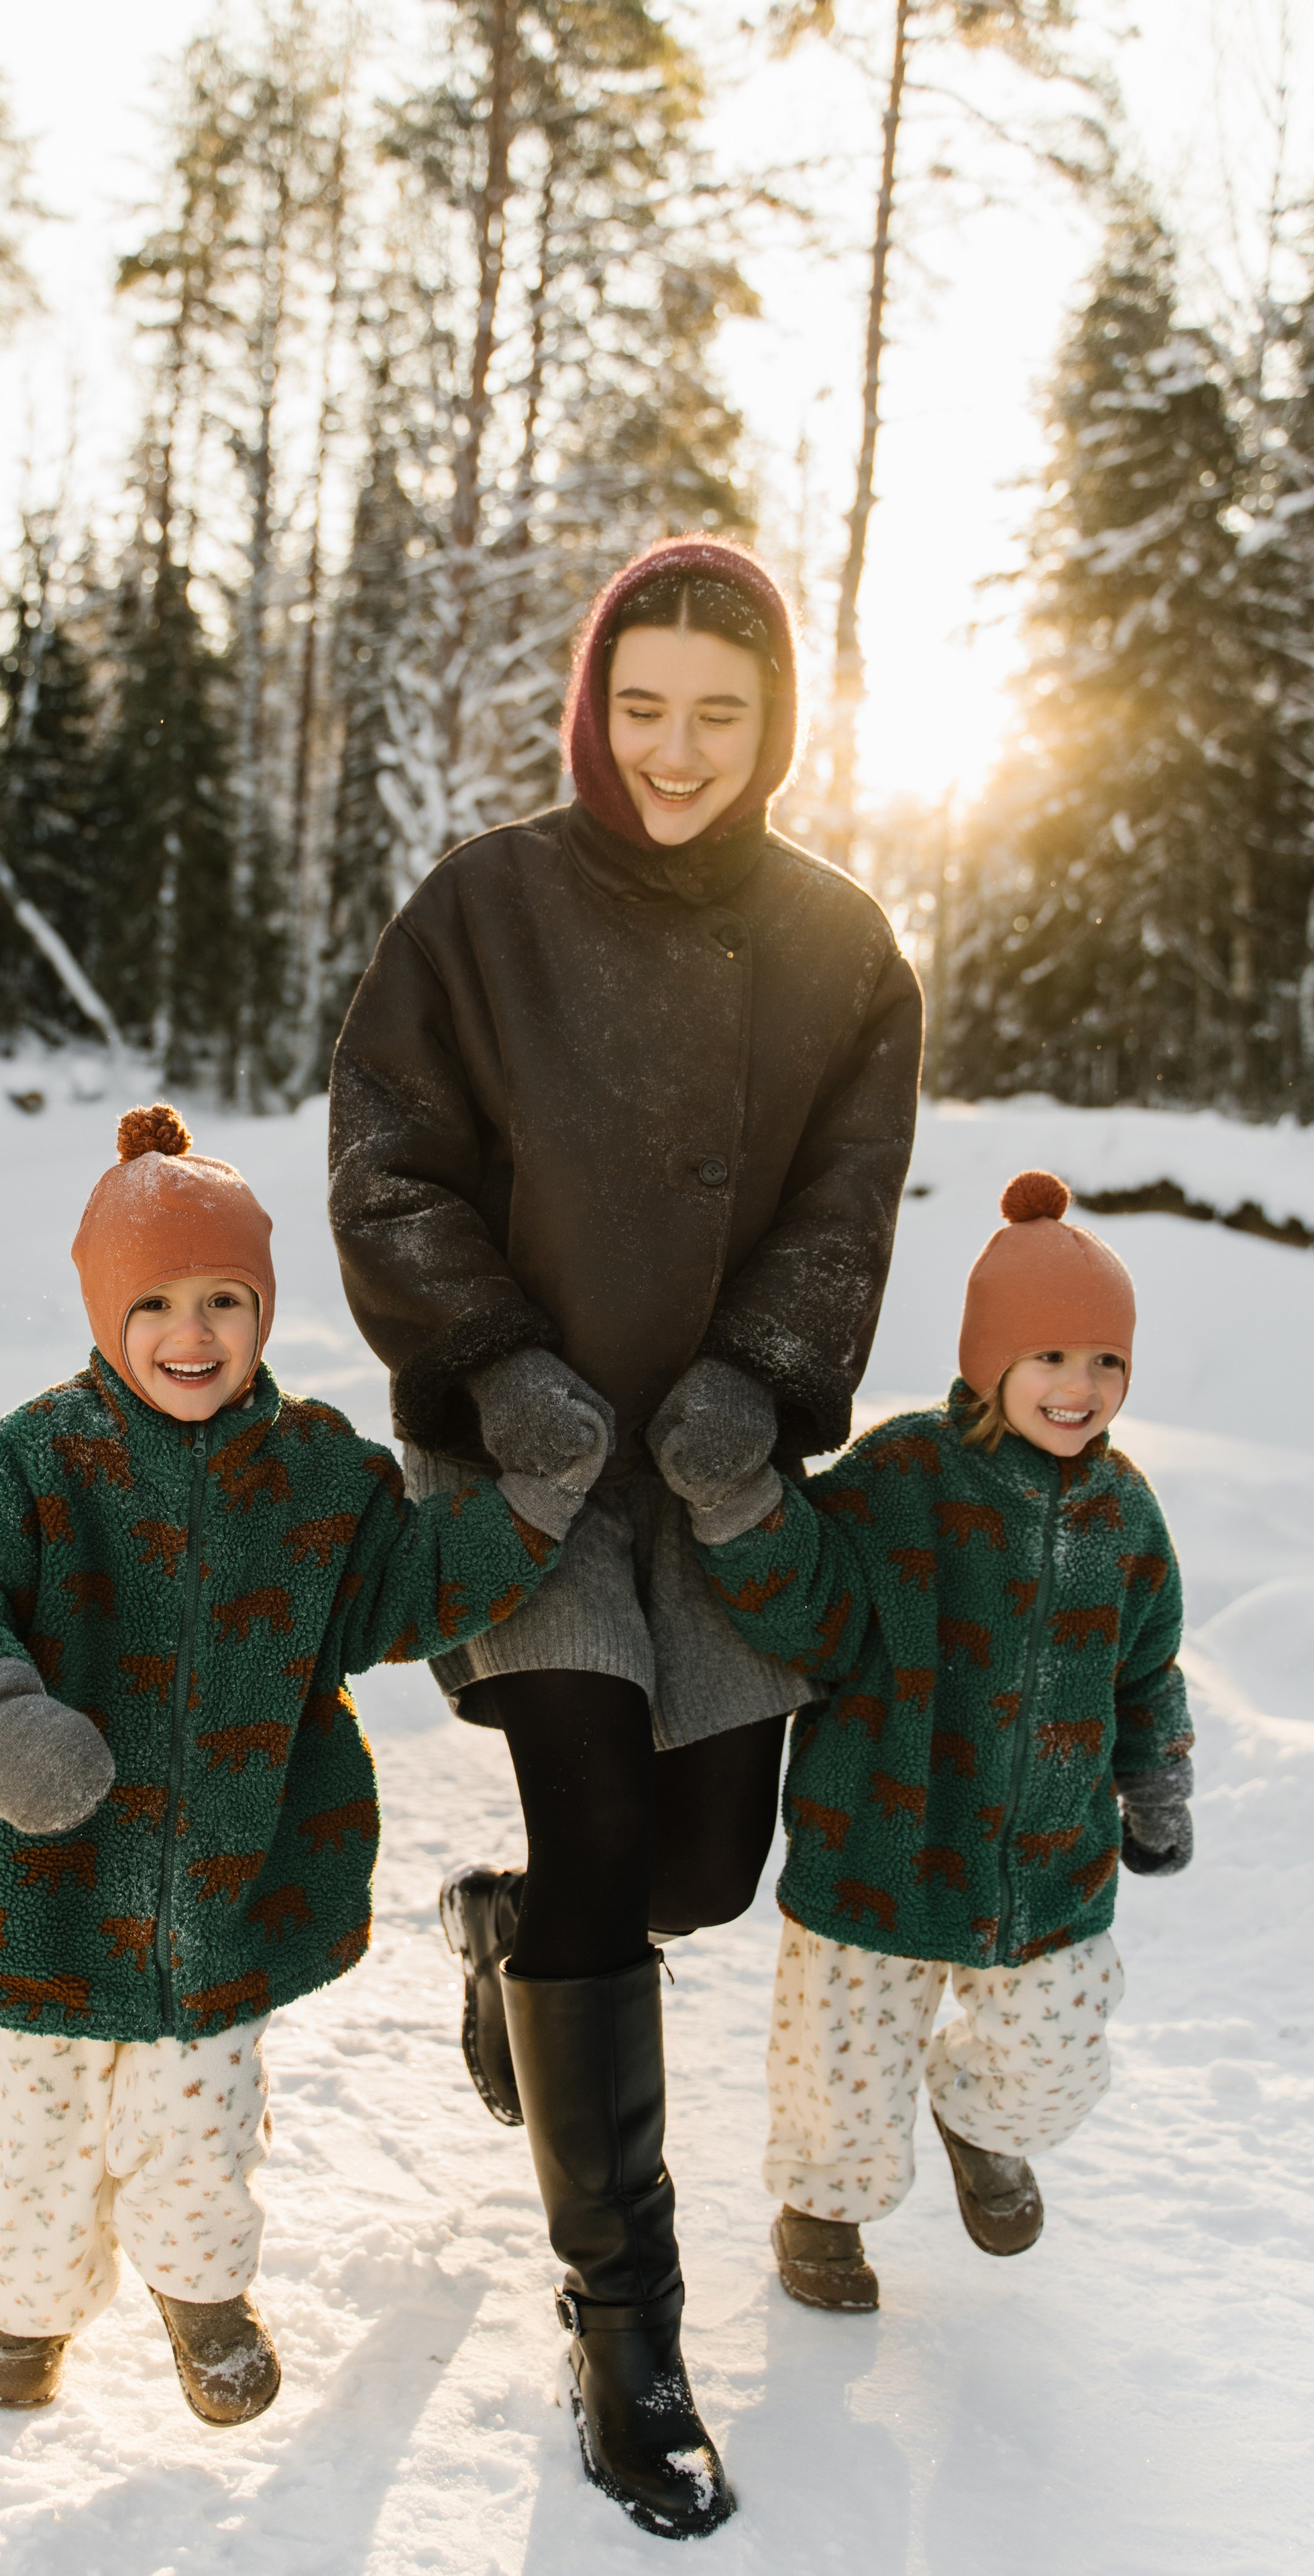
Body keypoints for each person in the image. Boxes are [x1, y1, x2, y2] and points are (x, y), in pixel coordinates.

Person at [327, 535, 923, 2539]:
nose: (675, 754)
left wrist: (764, 1374)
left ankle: (513, 1946)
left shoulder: (848, 950)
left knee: (700, 1866)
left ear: (779, 729)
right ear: (595, 702)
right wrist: (491, 1364)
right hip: (532, 1469)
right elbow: (389, 1153)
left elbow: (848, 1208)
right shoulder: (482, 912)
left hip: (720, 1469)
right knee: (597, 1818)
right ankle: (628, 2334)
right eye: (643, 707)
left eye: (721, 718)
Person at [0, 1104, 592, 2423]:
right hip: (43, 1904)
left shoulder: (313, 1472)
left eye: (221, 1300)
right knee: (40, 2148)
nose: (188, 1337)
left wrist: (527, 1509)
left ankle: (203, 2294)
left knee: (199, 2130)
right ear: (102, 1312)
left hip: (226, 1892)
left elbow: (400, 1588)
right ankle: (26, 2316)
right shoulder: (38, 1463)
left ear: (259, 1310)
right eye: (153, 1305)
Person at [665, 1169, 1193, 2312]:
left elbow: (1147, 1664)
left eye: (1107, 1361)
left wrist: (1155, 1779)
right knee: (841, 2066)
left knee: (1059, 2055)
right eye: (1051, 1356)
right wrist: (739, 1513)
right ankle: (823, 2208)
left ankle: (979, 2119)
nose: (1081, 1386)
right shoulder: (905, 1475)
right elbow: (812, 1603)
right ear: (990, 1360)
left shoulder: (1127, 1514)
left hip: (1047, 1861)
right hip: (882, 1841)